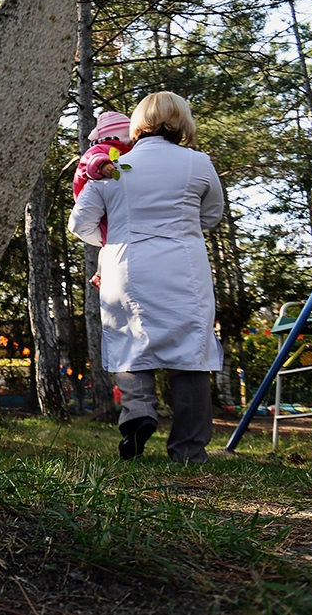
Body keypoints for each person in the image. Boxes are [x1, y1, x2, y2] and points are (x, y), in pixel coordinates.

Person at [68, 92, 224, 463]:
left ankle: (138, 414)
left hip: (125, 265)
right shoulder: (197, 163)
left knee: (130, 345)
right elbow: (212, 215)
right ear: (182, 121)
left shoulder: (112, 166)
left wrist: (112, 238)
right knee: (191, 353)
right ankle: (188, 450)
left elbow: (79, 223)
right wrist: (181, 228)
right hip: (183, 266)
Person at [72, 110, 134, 289]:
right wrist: (103, 165)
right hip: (93, 199)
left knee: (107, 242)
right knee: (109, 236)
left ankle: (100, 273)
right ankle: (102, 274)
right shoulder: (101, 148)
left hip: (106, 201)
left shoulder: (125, 150)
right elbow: (91, 162)